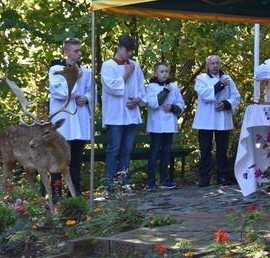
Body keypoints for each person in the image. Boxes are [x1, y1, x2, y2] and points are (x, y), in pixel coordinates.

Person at [100, 34, 146, 192]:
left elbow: (141, 88)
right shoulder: (108, 65)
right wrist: (126, 74)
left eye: (132, 51)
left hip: (131, 115)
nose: (130, 54)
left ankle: (124, 182)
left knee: (126, 151)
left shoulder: (135, 65)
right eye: (127, 50)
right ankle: (110, 184)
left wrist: (138, 100)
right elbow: (111, 87)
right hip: (115, 116)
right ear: (118, 48)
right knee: (114, 150)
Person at [48, 37, 92, 198]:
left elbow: (90, 90)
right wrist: (74, 79)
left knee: (76, 156)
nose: (80, 54)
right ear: (66, 52)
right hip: (63, 119)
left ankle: (75, 191)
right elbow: (57, 92)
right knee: (58, 156)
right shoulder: (56, 70)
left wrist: (87, 98)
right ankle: (56, 193)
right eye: (76, 51)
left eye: (80, 50)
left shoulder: (85, 71)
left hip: (79, 117)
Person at [193, 55, 241, 187]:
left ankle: (222, 176)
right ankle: (204, 177)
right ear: (207, 65)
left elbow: (236, 96)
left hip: (222, 117)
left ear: (220, 64)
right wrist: (220, 85)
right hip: (206, 119)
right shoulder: (201, 78)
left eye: (217, 63)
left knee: (222, 149)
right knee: (205, 149)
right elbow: (204, 95)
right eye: (212, 63)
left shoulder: (228, 78)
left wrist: (226, 103)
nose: (215, 65)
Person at [146, 61, 186, 191]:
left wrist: (173, 107)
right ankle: (151, 182)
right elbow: (153, 103)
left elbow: (181, 104)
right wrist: (164, 92)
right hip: (156, 125)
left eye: (166, 71)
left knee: (166, 153)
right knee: (154, 152)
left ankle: (164, 179)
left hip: (169, 125)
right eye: (161, 72)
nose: (164, 74)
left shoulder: (173, 86)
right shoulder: (151, 87)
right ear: (156, 73)